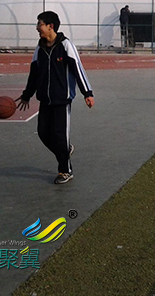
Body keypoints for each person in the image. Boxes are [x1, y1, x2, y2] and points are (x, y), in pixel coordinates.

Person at [18, 11, 94, 184]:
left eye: (40, 24)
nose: (37, 28)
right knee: (43, 133)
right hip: (45, 99)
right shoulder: (39, 48)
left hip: (62, 100)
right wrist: (27, 95)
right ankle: (65, 150)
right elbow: (34, 74)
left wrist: (87, 93)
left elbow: (78, 69)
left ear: (50, 26)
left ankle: (65, 171)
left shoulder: (66, 45)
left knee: (60, 135)